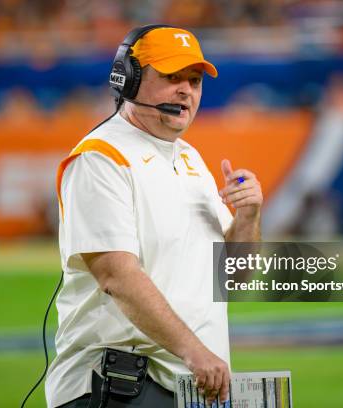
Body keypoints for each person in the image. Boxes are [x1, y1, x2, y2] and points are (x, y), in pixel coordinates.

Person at [46, 25, 263, 408]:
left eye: (194, 80)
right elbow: (117, 275)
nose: (186, 90)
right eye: (171, 77)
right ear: (126, 80)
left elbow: (231, 278)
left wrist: (248, 217)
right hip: (118, 385)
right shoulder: (101, 158)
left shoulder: (189, 158)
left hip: (188, 387)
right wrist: (195, 351)